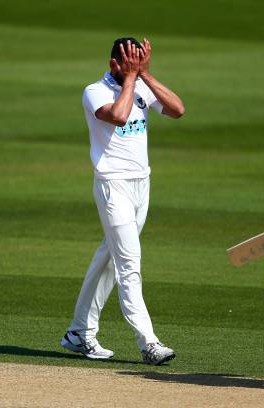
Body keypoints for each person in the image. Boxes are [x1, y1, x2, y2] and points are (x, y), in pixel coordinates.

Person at [61, 37, 185, 365]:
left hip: (141, 184)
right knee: (129, 264)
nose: (132, 66)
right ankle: (149, 343)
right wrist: (131, 79)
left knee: (110, 257)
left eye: (137, 60)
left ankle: (79, 333)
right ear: (113, 63)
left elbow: (177, 110)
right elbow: (117, 115)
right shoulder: (95, 91)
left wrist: (146, 75)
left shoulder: (141, 83)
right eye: (127, 62)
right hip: (112, 186)